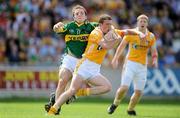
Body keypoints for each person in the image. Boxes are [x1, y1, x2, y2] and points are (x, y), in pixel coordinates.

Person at [47, 14, 145, 115]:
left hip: (94, 69)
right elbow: (105, 46)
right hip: (84, 66)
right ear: (100, 25)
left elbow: (126, 31)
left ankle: (81, 92)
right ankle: (53, 109)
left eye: (111, 24)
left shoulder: (110, 31)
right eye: (107, 24)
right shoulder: (96, 33)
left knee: (107, 87)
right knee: (71, 90)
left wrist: (138, 33)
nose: (110, 26)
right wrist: (117, 40)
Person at [44, 5, 98, 115]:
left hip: (83, 61)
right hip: (70, 59)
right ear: (73, 16)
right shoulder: (69, 26)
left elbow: (105, 26)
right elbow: (57, 29)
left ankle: (58, 97)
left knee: (77, 87)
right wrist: (56, 26)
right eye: (77, 13)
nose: (79, 15)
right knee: (63, 80)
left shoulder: (92, 26)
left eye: (82, 13)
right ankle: (56, 109)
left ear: (86, 16)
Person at [107, 14, 158, 116]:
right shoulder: (131, 33)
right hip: (130, 63)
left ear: (147, 24)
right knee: (124, 87)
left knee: (138, 92)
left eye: (144, 21)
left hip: (142, 66)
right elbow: (121, 47)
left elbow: (154, 51)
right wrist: (116, 58)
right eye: (141, 21)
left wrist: (155, 59)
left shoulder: (151, 36)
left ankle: (130, 109)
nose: (142, 23)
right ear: (137, 23)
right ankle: (115, 104)